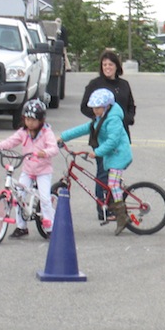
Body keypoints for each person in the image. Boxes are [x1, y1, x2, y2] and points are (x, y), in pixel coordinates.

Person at [61, 88, 133, 235]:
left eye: (98, 108)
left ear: (107, 107)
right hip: (111, 155)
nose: (95, 111)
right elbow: (84, 128)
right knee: (111, 184)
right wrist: (63, 137)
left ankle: (122, 217)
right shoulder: (101, 118)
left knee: (112, 184)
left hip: (119, 154)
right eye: (93, 108)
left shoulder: (113, 119)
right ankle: (116, 199)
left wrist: (97, 153)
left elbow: (113, 141)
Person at [0, 99, 58, 238]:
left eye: (33, 120)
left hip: (43, 171)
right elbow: (10, 141)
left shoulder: (47, 132)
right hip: (28, 169)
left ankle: (51, 227)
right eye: (27, 119)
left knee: (45, 198)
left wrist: (44, 153)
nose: (30, 123)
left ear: (41, 120)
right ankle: (21, 227)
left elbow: (54, 148)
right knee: (19, 196)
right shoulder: (23, 132)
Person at [80, 50, 137, 220]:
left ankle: (115, 205)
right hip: (101, 137)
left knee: (115, 174)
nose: (107, 68)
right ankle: (102, 208)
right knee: (103, 173)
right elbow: (84, 107)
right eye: (104, 65)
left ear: (116, 67)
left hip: (120, 136)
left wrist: (128, 118)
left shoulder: (124, 85)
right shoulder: (94, 84)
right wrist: (99, 119)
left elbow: (131, 106)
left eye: (110, 64)